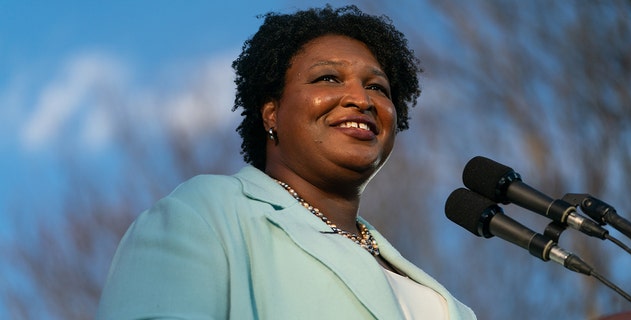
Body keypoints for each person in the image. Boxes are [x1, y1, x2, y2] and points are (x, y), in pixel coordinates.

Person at [97, 5, 476, 320]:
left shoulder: (438, 296)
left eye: (377, 87)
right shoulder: (207, 213)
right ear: (271, 114)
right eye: (328, 78)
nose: (361, 99)